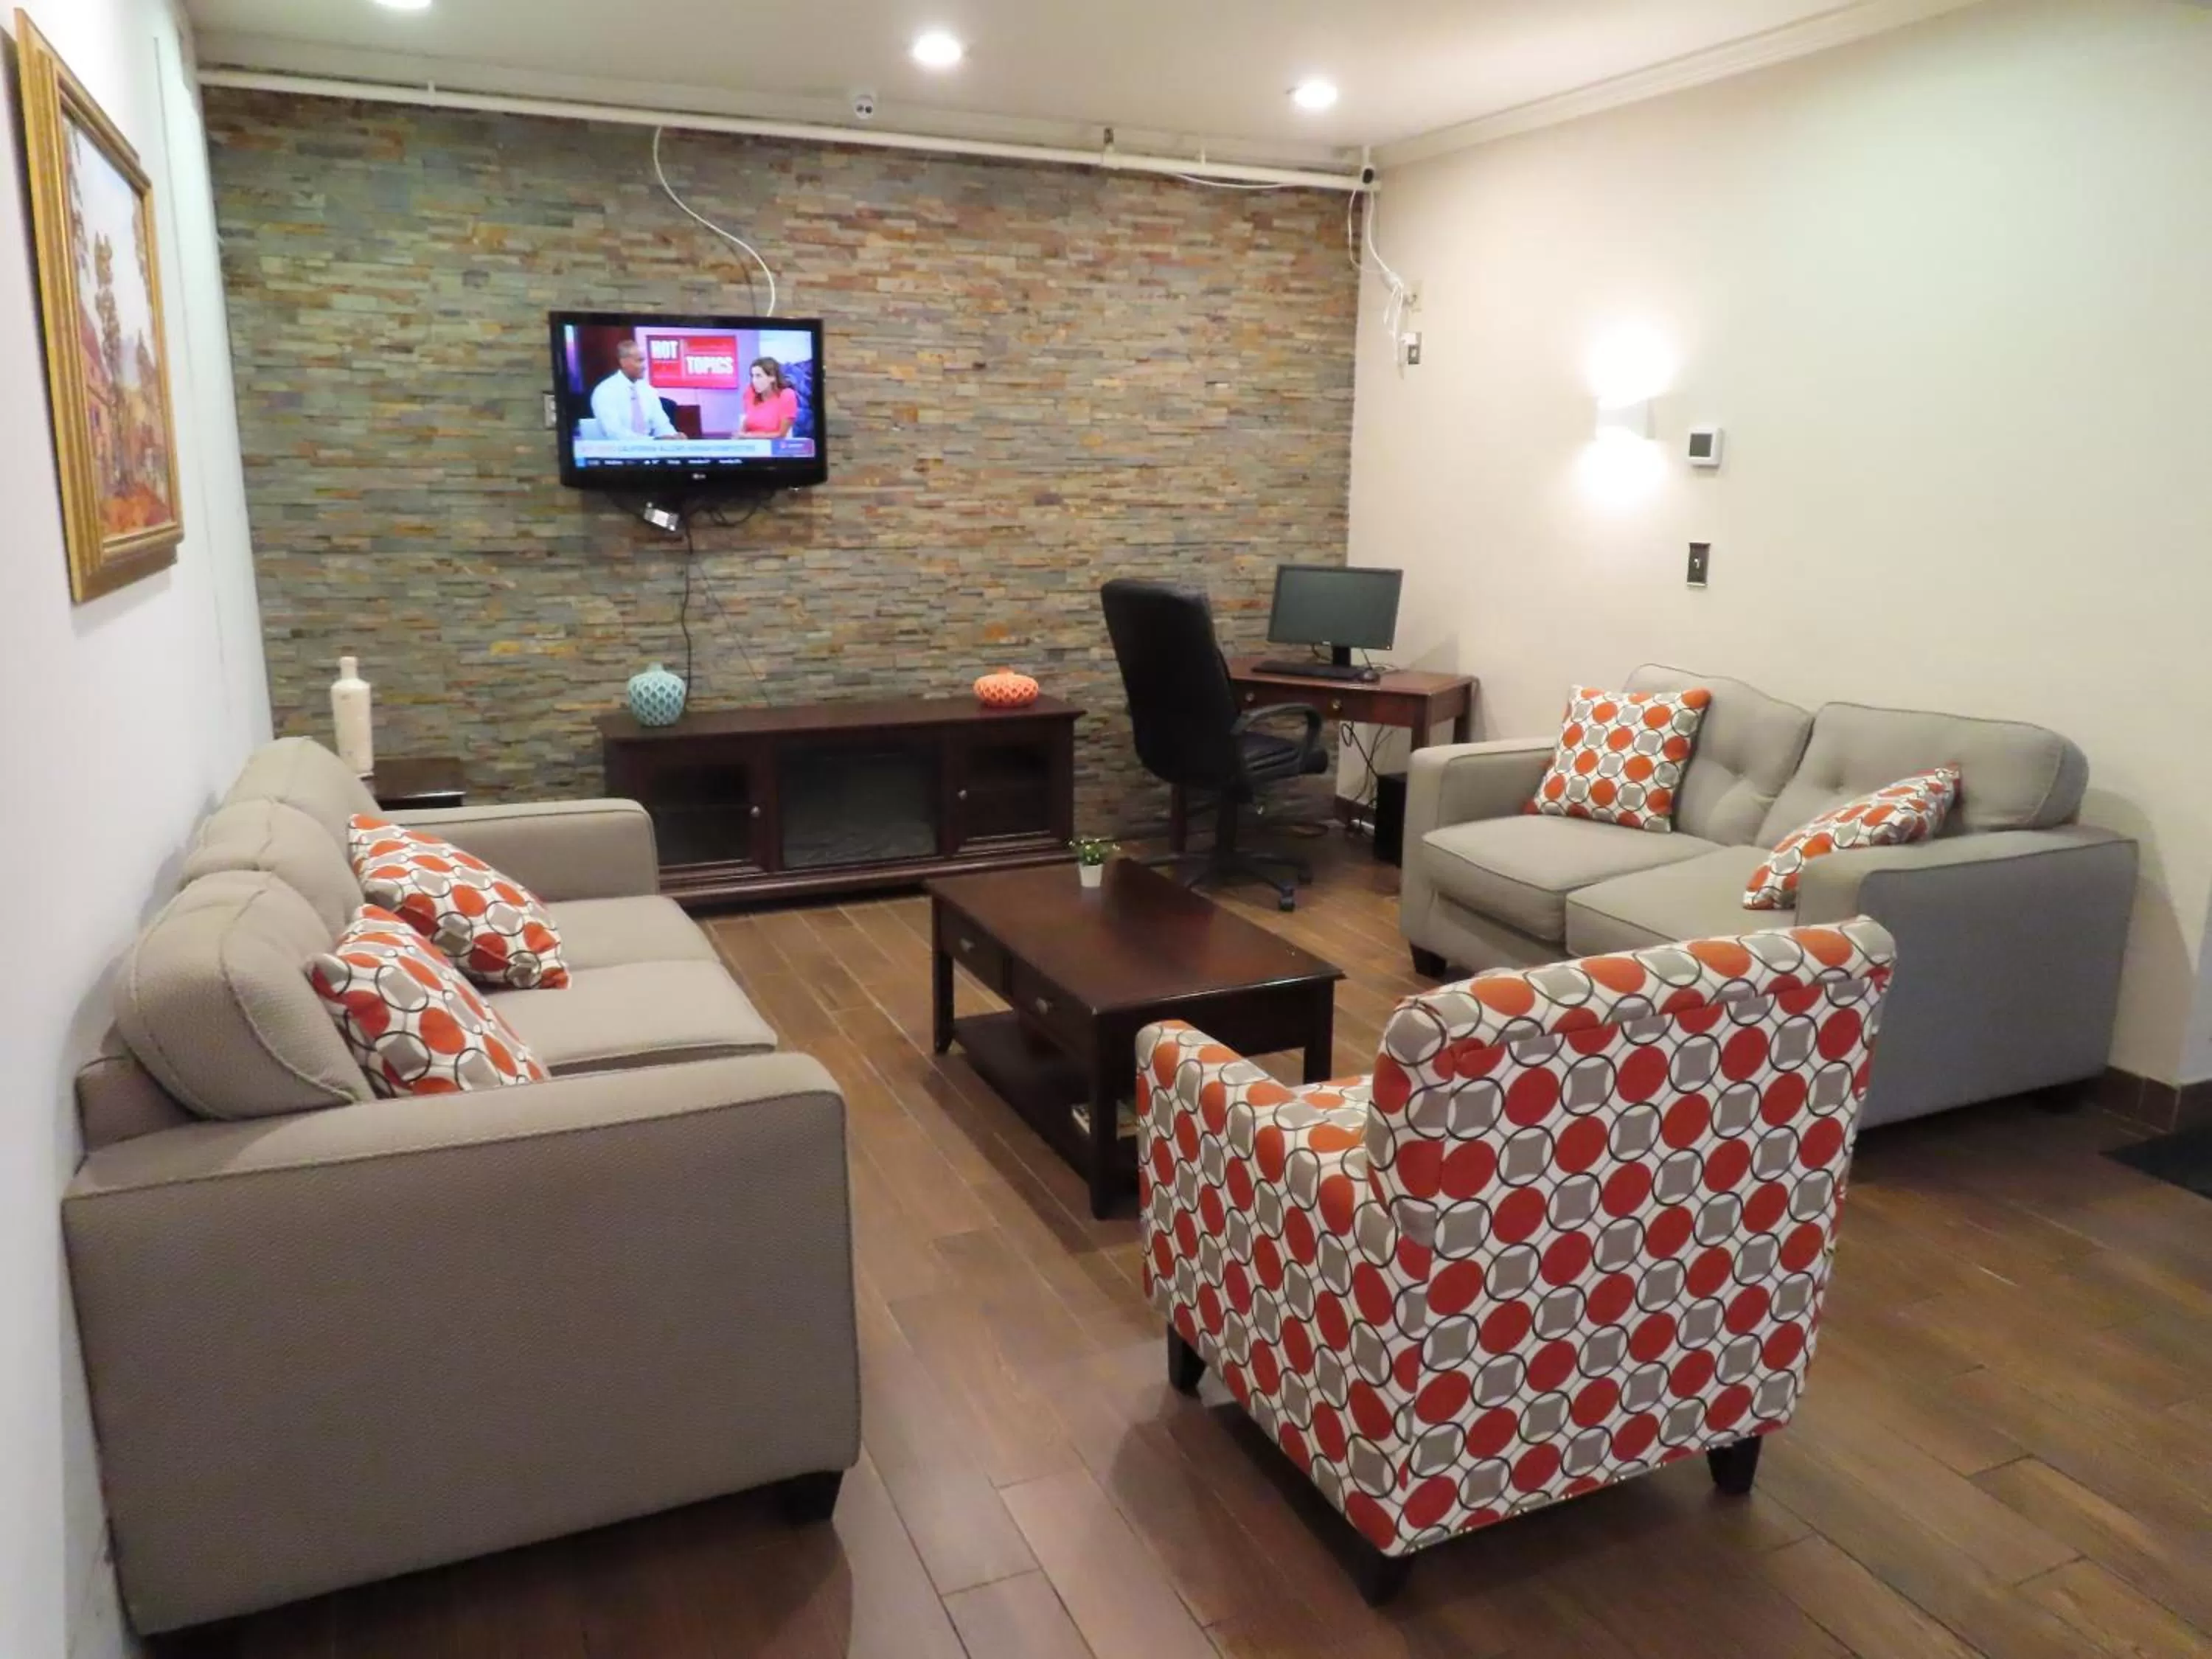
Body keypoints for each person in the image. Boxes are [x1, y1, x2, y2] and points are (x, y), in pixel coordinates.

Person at [588, 339, 680, 439]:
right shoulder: (605, 391)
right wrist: (653, 441)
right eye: (639, 361)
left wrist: (674, 437)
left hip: (651, 451)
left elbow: (661, 424)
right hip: (618, 453)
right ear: (624, 362)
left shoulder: (648, 391)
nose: (644, 367)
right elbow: (614, 432)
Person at [740, 358, 799, 438]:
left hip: (774, 447)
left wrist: (750, 436)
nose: (754, 381)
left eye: (758, 376)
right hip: (750, 446)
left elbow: (781, 435)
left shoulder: (787, 395)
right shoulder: (750, 392)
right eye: (752, 376)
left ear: (772, 377)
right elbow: (745, 426)